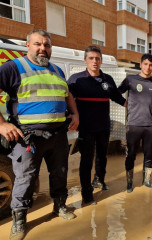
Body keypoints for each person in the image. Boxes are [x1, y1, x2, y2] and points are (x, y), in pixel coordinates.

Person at [0, 29, 79, 240]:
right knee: (25, 180)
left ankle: (59, 207)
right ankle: (19, 222)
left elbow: (67, 94)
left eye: (46, 45)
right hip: (27, 139)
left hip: (58, 135)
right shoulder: (13, 67)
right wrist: (1, 124)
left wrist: (75, 113)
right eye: (38, 44)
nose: (42, 49)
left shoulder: (57, 70)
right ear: (27, 45)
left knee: (60, 173)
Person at [67, 46, 126, 205]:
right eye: (91, 58)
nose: (95, 61)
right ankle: (87, 193)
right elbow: (66, 98)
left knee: (102, 157)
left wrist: (135, 106)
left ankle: (99, 180)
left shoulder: (107, 79)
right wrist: (71, 117)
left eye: (97, 58)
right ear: (85, 60)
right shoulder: (76, 79)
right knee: (86, 160)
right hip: (86, 128)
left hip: (104, 126)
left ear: (101, 61)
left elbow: (117, 98)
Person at [118, 53, 152, 193]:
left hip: (149, 125)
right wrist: (124, 103)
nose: (148, 67)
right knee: (130, 154)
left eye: (151, 65)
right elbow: (117, 92)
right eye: (145, 64)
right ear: (141, 64)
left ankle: (146, 180)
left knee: (149, 153)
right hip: (133, 124)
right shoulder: (130, 79)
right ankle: (129, 183)